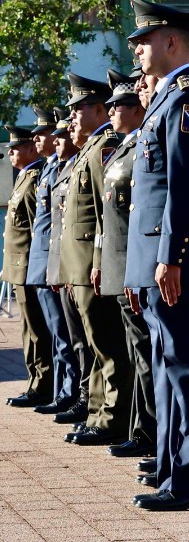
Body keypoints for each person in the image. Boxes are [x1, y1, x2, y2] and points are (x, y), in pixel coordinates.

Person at [126, 0, 189, 511]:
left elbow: (183, 190)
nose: (138, 48)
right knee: (166, 370)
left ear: (171, 41)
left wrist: (171, 258)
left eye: (145, 39)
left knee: (185, 370)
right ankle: (170, 471)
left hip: (173, 261)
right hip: (156, 259)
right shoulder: (165, 100)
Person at [60, 72, 131, 446]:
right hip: (81, 263)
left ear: (99, 108)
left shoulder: (106, 145)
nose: (72, 116)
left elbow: (107, 213)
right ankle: (97, 413)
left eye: (78, 108)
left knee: (107, 344)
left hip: (94, 260)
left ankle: (112, 419)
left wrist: (100, 260)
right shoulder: (90, 147)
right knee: (93, 344)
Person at [100, 68, 157, 460]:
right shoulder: (124, 147)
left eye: (117, 104)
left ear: (137, 109)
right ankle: (142, 429)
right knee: (137, 352)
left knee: (146, 354)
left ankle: (150, 433)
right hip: (121, 263)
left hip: (137, 264)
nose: (111, 111)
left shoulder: (142, 148)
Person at [26, 106, 81, 417]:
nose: (56, 140)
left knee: (66, 336)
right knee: (57, 334)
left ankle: (69, 393)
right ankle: (63, 391)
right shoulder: (51, 169)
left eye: (55, 135)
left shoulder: (66, 167)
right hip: (46, 262)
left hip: (58, 262)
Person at [47, 112, 93, 429]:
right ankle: (81, 397)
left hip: (87, 266)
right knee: (74, 340)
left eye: (61, 134)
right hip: (68, 265)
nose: (54, 141)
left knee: (93, 343)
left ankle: (93, 404)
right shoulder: (67, 167)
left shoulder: (93, 156)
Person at [2, 126, 52, 409]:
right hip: (18, 267)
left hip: (30, 267)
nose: (10, 153)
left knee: (36, 330)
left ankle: (43, 385)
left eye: (16, 148)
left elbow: (38, 228)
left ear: (32, 150)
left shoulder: (34, 179)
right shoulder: (23, 178)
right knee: (27, 329)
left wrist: (39, 267)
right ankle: (35, 381)